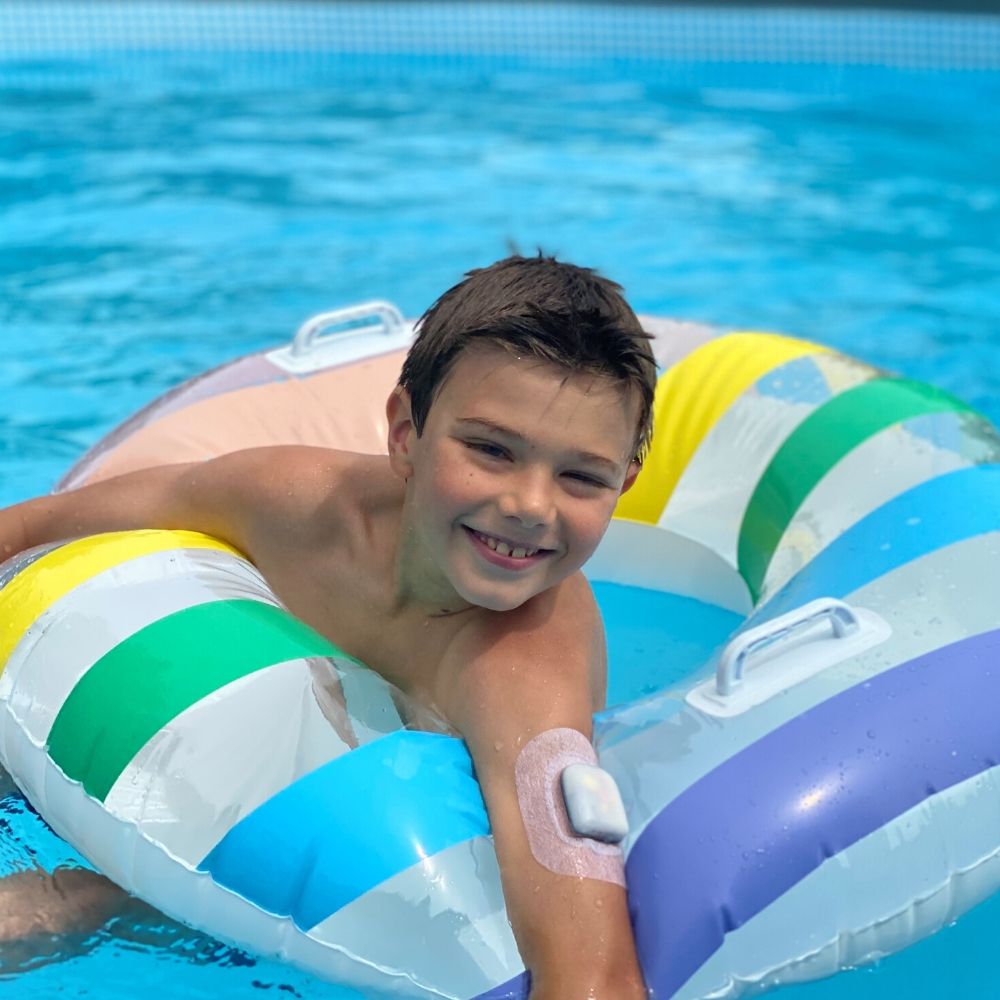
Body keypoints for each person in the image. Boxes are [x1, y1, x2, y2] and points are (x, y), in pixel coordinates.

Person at [0, 254, 656, 998]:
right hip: (217, 755)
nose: (531, 505)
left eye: (581, 477)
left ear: (623, 484)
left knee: (44, 917)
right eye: (491, 450)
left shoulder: (524, 672)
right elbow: (39, 526)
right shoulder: (298, 507)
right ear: (406, 434)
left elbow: (593, 976)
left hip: (359, 866)